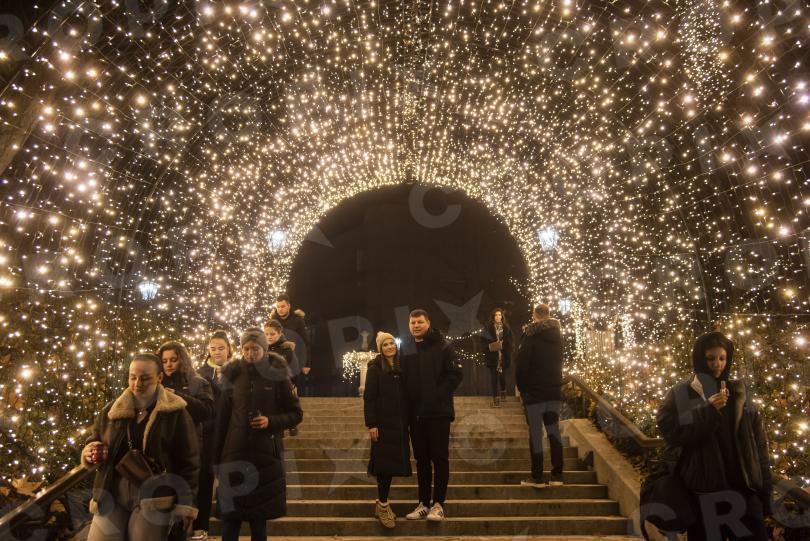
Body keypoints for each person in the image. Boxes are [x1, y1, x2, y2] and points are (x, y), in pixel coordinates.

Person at [656, 332, 771, 541]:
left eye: (722, 358)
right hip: (703, 495)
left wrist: (765, 492)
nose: (717, 364)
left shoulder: (739, 392)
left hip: (744, 492)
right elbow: (671, 433)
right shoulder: (682, 393)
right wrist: (707, 411)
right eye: (710, 358)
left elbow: (759, 445)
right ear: (700, 358)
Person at [82, 353, 200, 541]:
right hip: (113, 491)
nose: (137, 384)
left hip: (155, 495)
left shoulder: (175, 413)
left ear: (159, 377)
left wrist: (185, 505)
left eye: (145, 378)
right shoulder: (112, 410)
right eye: (133, 377)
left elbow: (189, 462)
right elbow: (95, 439)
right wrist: (90, 450)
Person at [213, 328, 303, 541]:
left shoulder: (277, 374)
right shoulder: (232, 374)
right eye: (245, 349)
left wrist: (270, 421)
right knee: (230, 520)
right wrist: (216, 461)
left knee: (258, 521)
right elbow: (222, 421)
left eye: (255, 349)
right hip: (233, 456)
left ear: (264, 348)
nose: (249, 353)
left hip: (264, 459)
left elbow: (296, 413)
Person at [399, 309, 463, 522]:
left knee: (440, 458)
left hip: (438, 413)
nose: (416, 326)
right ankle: (423, 503)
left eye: (420, 322)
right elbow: (401, 378)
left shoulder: (443, 345)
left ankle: (438, 504)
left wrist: (436, 396)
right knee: (422, 460)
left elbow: (455, 375)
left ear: (428, 323)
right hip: (416, 415)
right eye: (412, 322)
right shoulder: (406, 347)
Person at [363, 332, 412, 529]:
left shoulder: (402, 367)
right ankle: (383, 505)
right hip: (383, 425)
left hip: (400, 426)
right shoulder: (375, 369)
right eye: (385, 344)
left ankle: (381, 504)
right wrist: (372, 424)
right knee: (384, 467)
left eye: (392, 343)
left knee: (391, 465)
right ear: (380, 349)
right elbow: (369, 398)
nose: (390, 346)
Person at [514, 303, 564, 488]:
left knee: (535, 434)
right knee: (553, 431)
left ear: (534, 315)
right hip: (553, 390)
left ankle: (537, 477)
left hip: (534, 392)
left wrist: (523, 389)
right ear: (549, 315)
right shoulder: (558, 336)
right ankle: (557, 475)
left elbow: (521, 365)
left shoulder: (530, 335)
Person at [192, 330, 232, 541]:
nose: (217, 352)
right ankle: (201, 525)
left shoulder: (238, 370)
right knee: (205, 478)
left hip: (230, 431)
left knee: (228, 477)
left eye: (221, 348)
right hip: (207, 432)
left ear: (229, 349)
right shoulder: (199, 373)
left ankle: (229, 524)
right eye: (213, 348)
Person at [158, 341, 215, 432]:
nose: (168, 364)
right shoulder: (158, 383)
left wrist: (177, 396)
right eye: (164, 361)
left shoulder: (198, 382)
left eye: (173, 360)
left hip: (189, 436)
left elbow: (207, 411)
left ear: (182, 360)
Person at [270, 293, 311, 394]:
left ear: (288, 306)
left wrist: (307, 363)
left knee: (294, 388)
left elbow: (305, 342)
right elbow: (268, 340)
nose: (280, 309)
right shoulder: (272, 321)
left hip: (295, 358)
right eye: (278, 307)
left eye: (283, 306)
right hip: (277, 359)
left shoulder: (298, 320)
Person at [481, 308, 514, 407]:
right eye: (496, 315)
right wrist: (492, 346)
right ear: (493, 316)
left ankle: (503, 390)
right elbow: (483, 342)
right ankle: (495, 398)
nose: (498, 317)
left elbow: (511, 342)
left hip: (503, 356)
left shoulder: (507, 328)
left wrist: (505, 347)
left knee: (502, 377)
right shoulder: (487, 328)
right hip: (492, 356)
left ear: (502, 316)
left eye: (499, 315)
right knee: (494, 377)